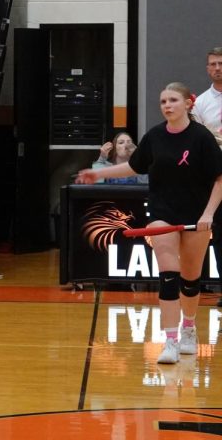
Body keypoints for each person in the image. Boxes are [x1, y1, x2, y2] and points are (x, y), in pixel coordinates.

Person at [77, 82, 222, 364]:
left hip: (196, 216)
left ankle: (189, 327)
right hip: (161, 213)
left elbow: (219, 178)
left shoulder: (202, 138)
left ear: (188, 104)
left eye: (173, 100)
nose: (167, 105)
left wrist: (208, 215)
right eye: (163, 101)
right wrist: (100, 175)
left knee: (191, 281)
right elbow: (135, 166)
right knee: (169, 275)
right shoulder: (154, 136)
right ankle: (170, 341)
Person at [192, 46, 222, 145]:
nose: (217, 68)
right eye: (213, 64)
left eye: (221, 63)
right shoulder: (198, 104)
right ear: (208, 69)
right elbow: (197, 139)